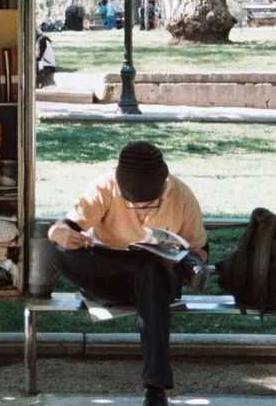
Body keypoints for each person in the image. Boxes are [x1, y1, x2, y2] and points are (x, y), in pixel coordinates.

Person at [48, 141, 208, 406]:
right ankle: (145, 261)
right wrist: (59, 233)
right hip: (110, 277)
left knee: (153, 271)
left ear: (164, 185)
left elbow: (202, 250)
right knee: (58, 252)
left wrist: (194, 256)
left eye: (150, 204)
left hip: (158, 283)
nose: (142, 211)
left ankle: (155, 390)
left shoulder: (181, 194)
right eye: (134, 205)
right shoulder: (105, 186)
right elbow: (64, 226)